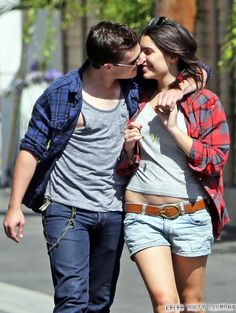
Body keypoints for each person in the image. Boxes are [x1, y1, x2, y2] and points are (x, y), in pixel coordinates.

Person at [3, 21, 209, 313]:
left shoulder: (135, 84)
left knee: (100, 302)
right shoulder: (62, 93)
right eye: (132, 60)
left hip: (114, 210)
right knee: (72, 299)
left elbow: (200, 69)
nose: (140, 61)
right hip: (67, 209)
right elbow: (31, 148)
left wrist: (180, 89)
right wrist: (14, 207)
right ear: (107, 66)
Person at [120, 16, 230, 313]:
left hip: (189, 216)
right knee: (165, 303)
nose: (140, 58)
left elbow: (215, 160)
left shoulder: (204, 102)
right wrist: (128, 150)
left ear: (172, 55)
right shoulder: (136, 97)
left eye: (148, 51)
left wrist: (174, 129)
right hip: (141, 214)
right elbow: (125, 166)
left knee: (192, 304)